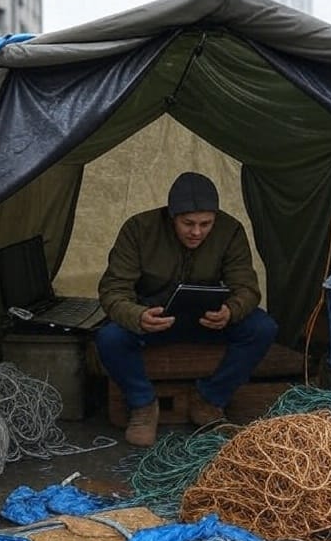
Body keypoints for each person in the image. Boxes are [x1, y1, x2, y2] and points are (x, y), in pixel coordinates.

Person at [96, 171, 279, 447]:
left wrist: (230, 311)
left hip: (207, 321)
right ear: (172, 217)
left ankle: (210, 400)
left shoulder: (230, 231)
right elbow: (112, 290)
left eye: (206, 224)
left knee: (263, 328)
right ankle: (143, 405)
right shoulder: (138, 229)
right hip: (153, 322)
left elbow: (247, 288)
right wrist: (137, 316)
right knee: (109, 338)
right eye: (188, 223)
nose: (197, 232)